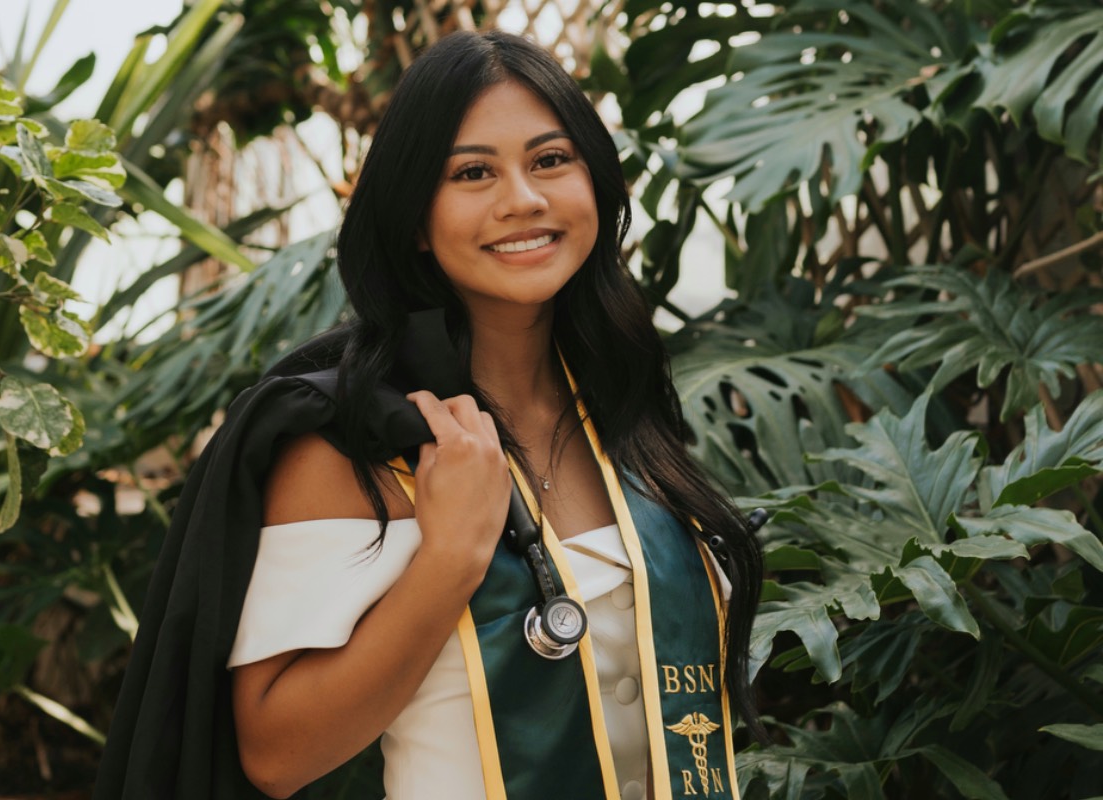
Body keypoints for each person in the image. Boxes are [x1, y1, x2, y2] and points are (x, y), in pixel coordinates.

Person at [93, 29, 762, 800]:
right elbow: (275, 754)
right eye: (473, 172)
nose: (524, 199)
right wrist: (448, 562)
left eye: (551, 160)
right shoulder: (350, 448)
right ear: (415, 217)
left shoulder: (622, 409)